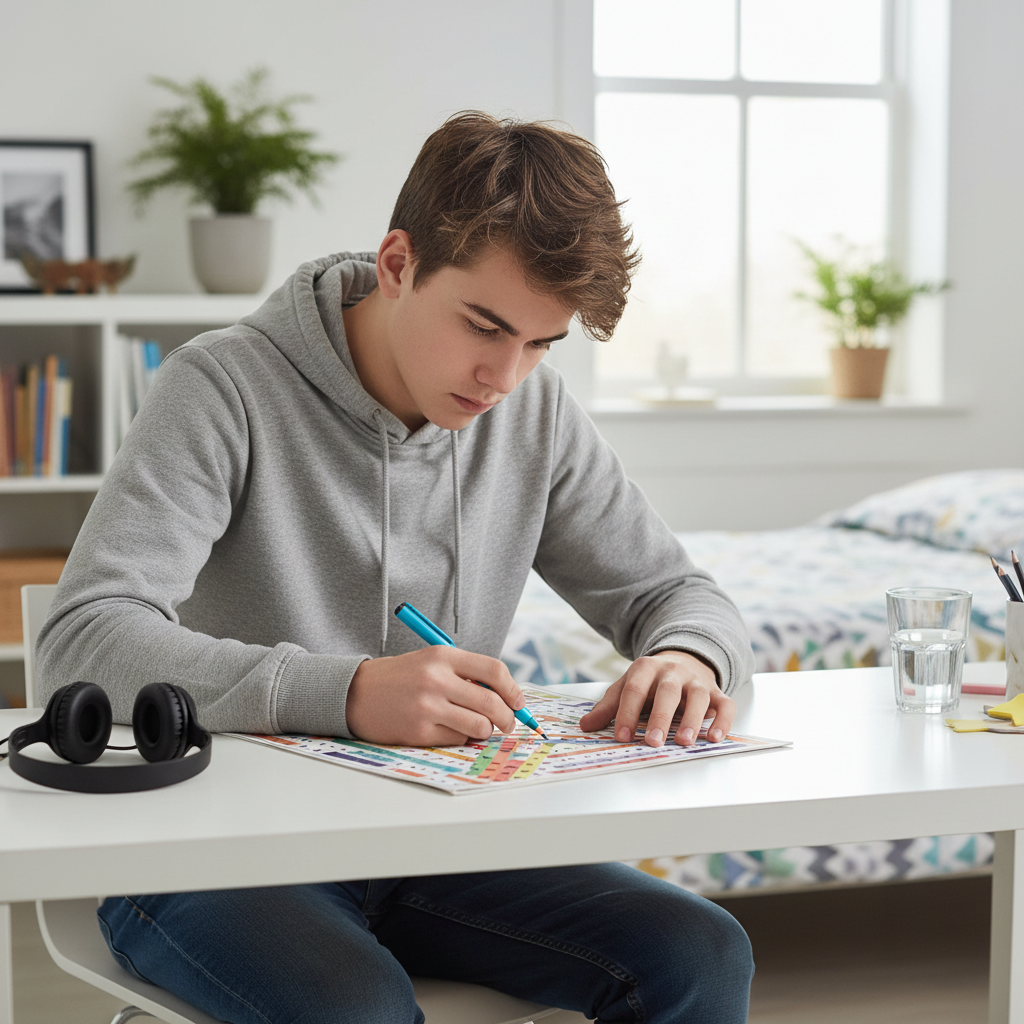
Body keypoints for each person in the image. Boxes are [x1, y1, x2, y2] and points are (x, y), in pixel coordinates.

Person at [36, 111, 756, 1024]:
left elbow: (678, 594)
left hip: (441, 843)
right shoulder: (221, 387)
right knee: (358, 1009)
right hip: (215, 850)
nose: (505, 376)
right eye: (484, 326)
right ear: (397, 264)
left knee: (698, 952)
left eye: (541, 344)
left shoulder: (531, 417)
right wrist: (347, 692)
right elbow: (82, 641)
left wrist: (689, 656)